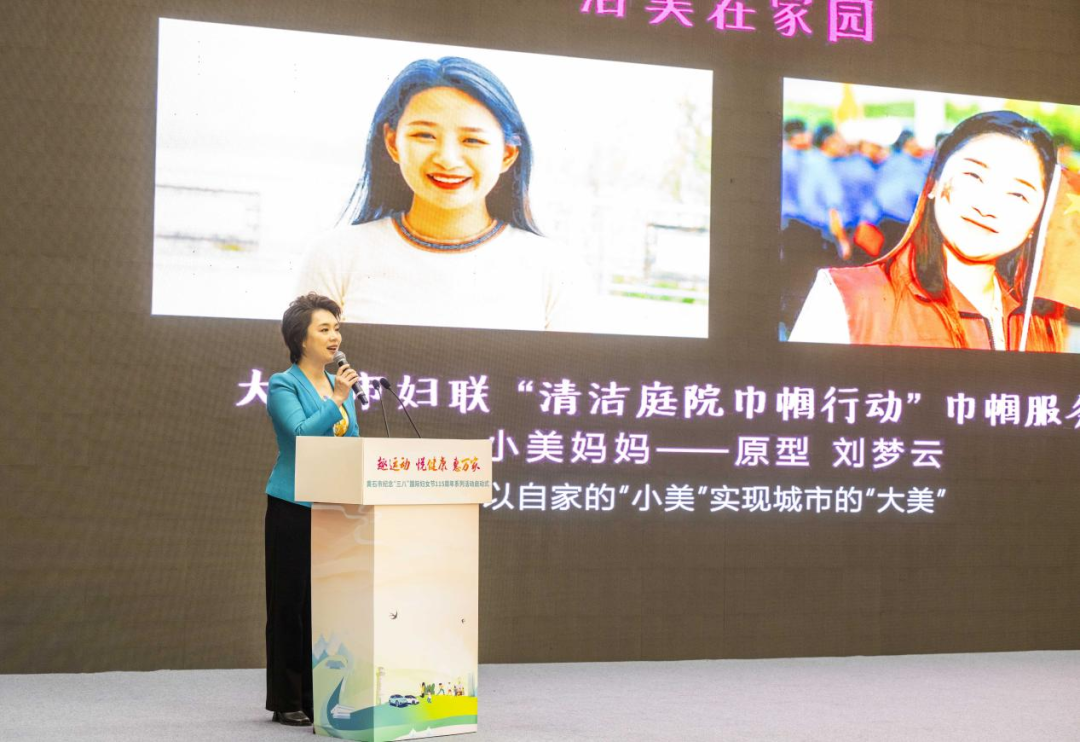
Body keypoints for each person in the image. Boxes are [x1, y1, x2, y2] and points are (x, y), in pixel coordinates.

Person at [296, 56, 588, 332]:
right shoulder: (334, 257)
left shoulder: (556, 269)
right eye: (424, 135)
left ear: (508, 154)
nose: (447, 159)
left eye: (472, 140)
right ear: (392, 143)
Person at [790, 110, 1066, 351]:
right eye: (974, 176)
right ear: (933, 182)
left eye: (1018, 194)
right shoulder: (848, 298)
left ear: (1039, 220)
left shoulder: (1039, 322)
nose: (987, 207)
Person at [264, 293, 361, 726]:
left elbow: (350, 441)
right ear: (300, 339)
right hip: (293, 505)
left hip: (332, 507)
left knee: (325, 606)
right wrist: (336, 399)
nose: (334, 336)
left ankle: (317, 695)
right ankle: (286, 700)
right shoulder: (283, 384)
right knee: (290, 604)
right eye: (324, 329)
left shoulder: (341, 385)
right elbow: (302, 435)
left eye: (336, 328)